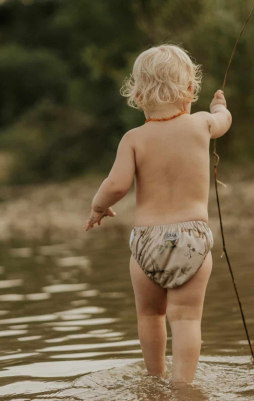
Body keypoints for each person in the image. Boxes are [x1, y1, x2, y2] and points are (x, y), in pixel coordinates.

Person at [82, 44, 232, 384]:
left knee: (149, 316)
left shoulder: (133, 138)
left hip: (147, 242)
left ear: (135, 94)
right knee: (186, 320)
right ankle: (183, 387)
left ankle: (153, 381)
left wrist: (98, 206)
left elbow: (117, 184)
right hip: (192, 240)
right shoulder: (201, 124)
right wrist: (220, 107)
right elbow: (224, 121)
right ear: (191, 89)